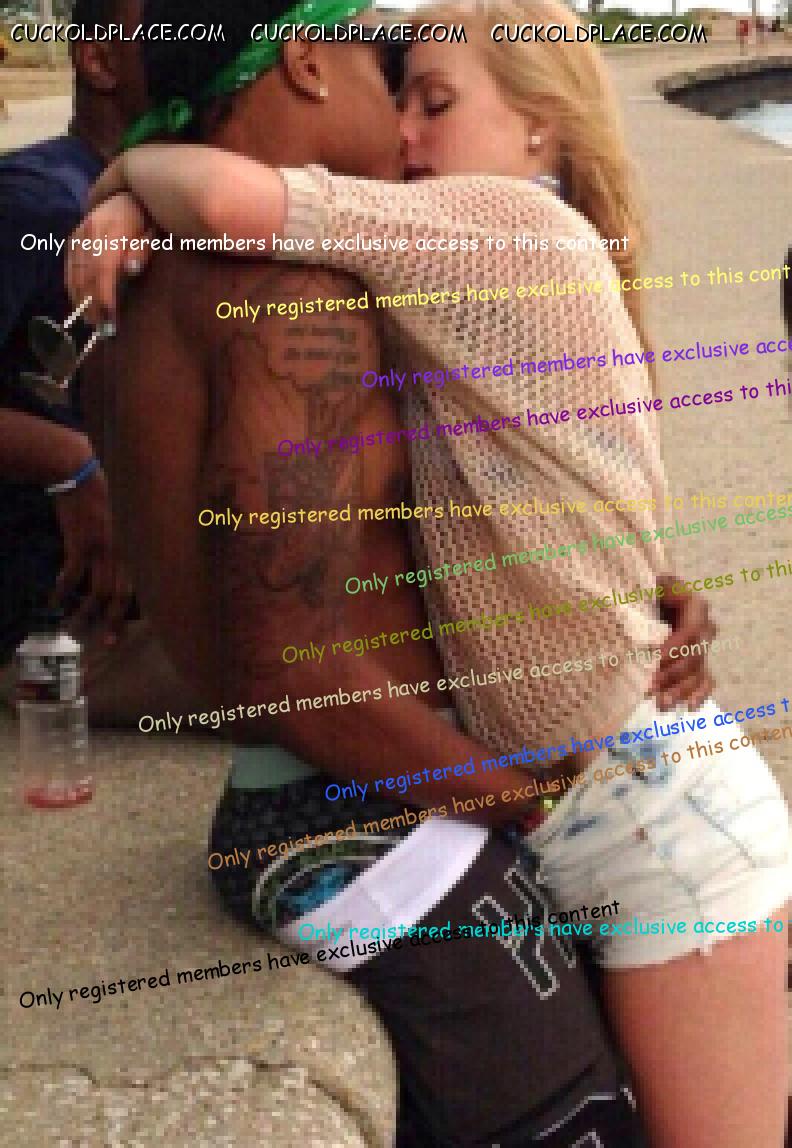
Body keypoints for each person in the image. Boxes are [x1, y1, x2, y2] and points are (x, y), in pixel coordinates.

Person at [70, 2, 742, 1144]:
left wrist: (634, 591)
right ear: (308, 63)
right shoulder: (295, 298)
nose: (400, 117)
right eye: (387, 77)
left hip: (346, 792)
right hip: (363, 808)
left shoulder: (152, 280)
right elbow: (290, 660)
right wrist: (535, 801)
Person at [0, 0, 193, 725]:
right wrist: (69, 462)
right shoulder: (34, 204)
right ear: (99, 60)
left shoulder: (174, 200)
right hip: (62, 628)